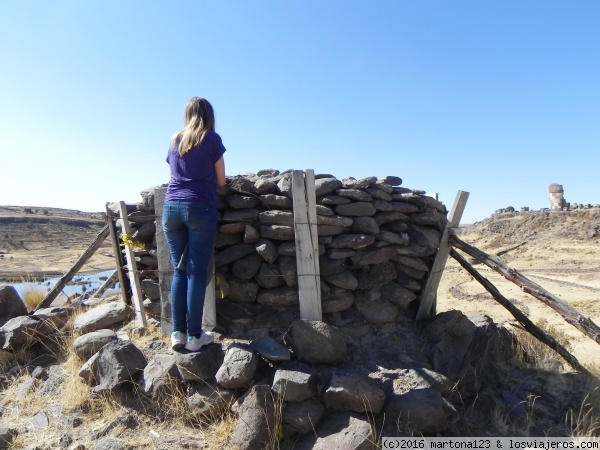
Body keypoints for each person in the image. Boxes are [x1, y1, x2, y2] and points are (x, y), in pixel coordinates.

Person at [162, 97, 226, 351]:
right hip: (199, 207)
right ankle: (194, 337)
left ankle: (177, 333)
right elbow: (221, 181)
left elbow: (175, 171)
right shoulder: (211, 138)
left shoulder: (175, 139)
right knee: (197, 273)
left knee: (179, 271)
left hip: (170, 209)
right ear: (208, 115)